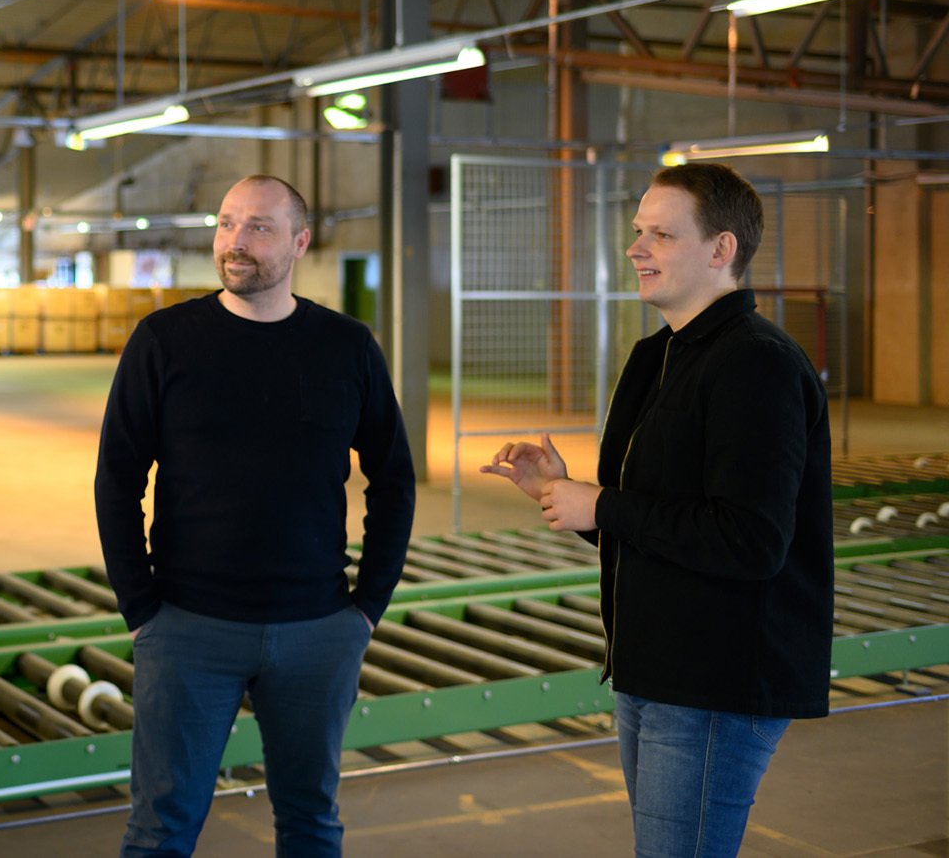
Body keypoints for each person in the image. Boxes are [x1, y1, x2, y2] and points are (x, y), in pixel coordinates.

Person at [481, 163, 833, 857]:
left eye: (661, 235)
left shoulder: (755, 363)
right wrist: (568, 495)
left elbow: (750, 540)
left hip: (715, 680)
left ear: (721, 248)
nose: (635, 248)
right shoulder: (659, 357)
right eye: (638, 231)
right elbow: (659, 522)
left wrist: (604, 504)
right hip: (653, 668)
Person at [95, 174, 416, 857]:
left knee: (310, 821)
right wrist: (141, 609)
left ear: (300, 242)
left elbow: (393, 478)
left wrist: (366, 608)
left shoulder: (346, 346)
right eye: (226, 223)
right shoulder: (164, 340)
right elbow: (118, 478)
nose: (235, 241)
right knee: (160, 828)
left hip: (317, 631)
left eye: (259, 227)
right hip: (187, 629)